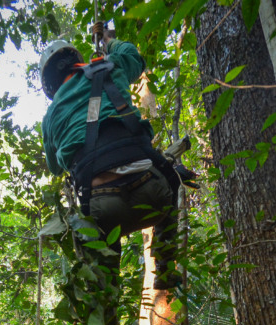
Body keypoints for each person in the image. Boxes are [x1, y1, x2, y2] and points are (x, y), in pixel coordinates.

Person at [40, 27, 181, 291]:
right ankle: (165, 266)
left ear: (49, 82)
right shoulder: (108, 69)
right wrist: (109, 40)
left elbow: (55, 167)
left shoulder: (50, 118)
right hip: (154, 193)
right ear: (76, 60)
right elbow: (134, 58)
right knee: (172, 181)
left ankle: (106, 317)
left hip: (101, 209)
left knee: (102, 280)